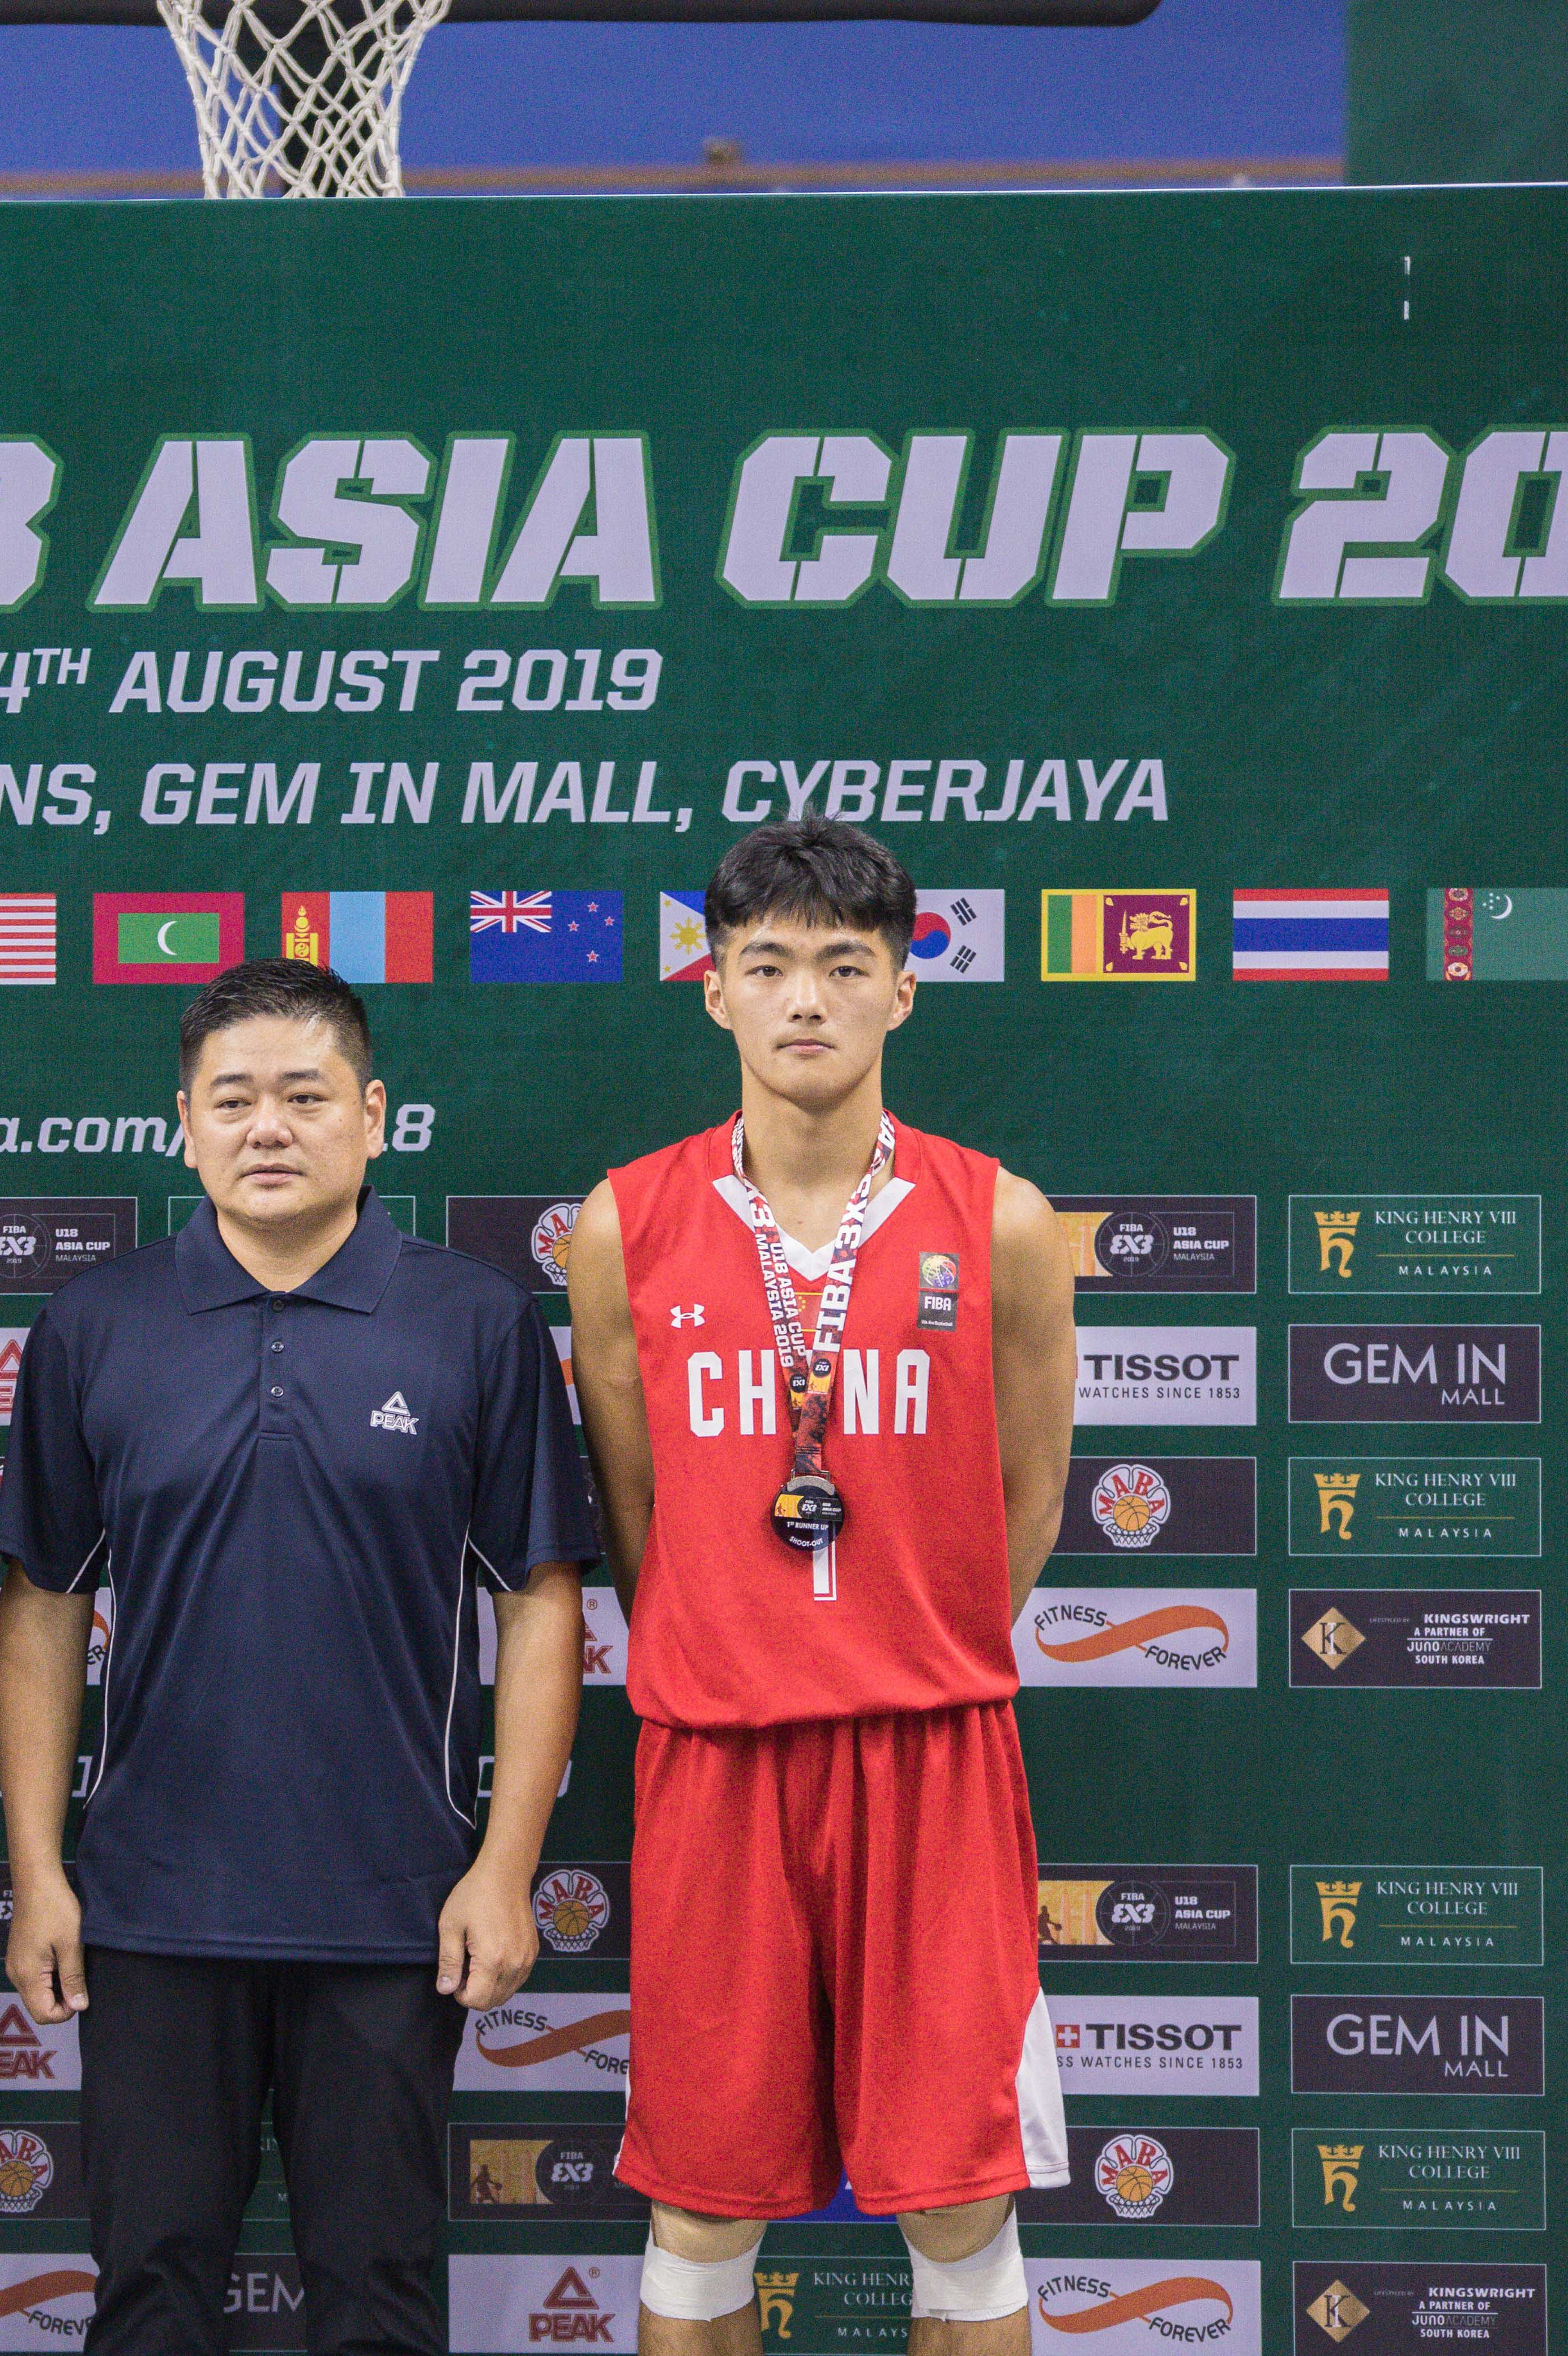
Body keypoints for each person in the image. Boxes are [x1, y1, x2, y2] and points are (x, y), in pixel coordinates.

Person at [0, 956, 594, 2356]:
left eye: (307, 1095)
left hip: (395, 1908)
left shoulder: (477, 1320)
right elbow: (41, 1610)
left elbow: (541, 1604)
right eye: (236, 1098)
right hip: (146, 1910)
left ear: (375, 1116)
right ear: (185, 1124)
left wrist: (504, 1869)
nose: (271, 1127)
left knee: (379, 2302)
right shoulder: (97, 1323)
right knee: (145, 2296)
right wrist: (37, 1873)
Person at [560, 820, 1078, 2356]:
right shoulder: (623, 1224)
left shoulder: (1001, 1219)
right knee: (704, 2204)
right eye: (767, 965)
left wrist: (902, 1636)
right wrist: (746, 1642)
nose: (806, 1000)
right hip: (716, 1756)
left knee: (963, 2205)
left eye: (846, 967)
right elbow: (637, 1511)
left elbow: (1028, 1499)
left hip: (933, 1752)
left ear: (903, 992)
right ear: (712, 991)